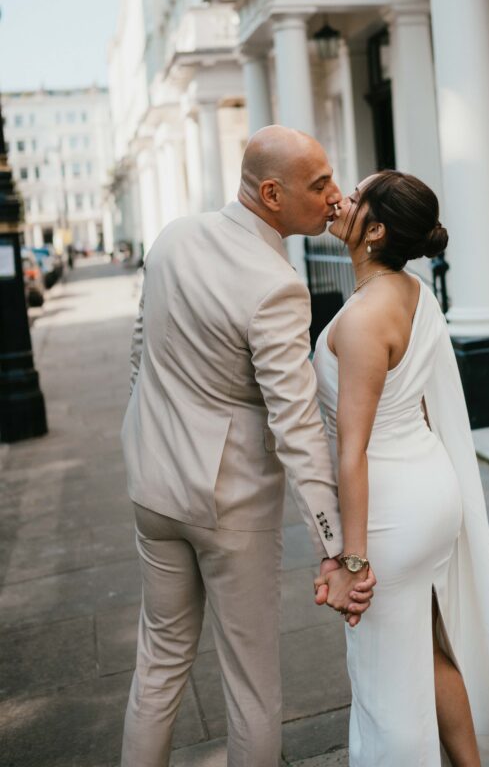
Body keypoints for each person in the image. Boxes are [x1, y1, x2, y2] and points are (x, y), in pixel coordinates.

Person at [120, 126, 375, 767]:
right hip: (227, 505)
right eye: (319, 185)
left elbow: (140, 356)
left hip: (151, 484)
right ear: (271, 193)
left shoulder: (173, 236)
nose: (335, 195)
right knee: (253, 687)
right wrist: (336, 553)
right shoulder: (276, 285)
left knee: (158, 662)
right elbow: (297, 429)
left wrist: (147, 436)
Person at [313, 170, 489, 767]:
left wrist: (353, 563)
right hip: (428, 488)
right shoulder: (411, 291)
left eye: (357, 197)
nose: (343, 199)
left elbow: (352, 450)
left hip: (390, 510)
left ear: (376, 229)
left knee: (386, 692)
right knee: (432, 644)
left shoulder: (365, 318)